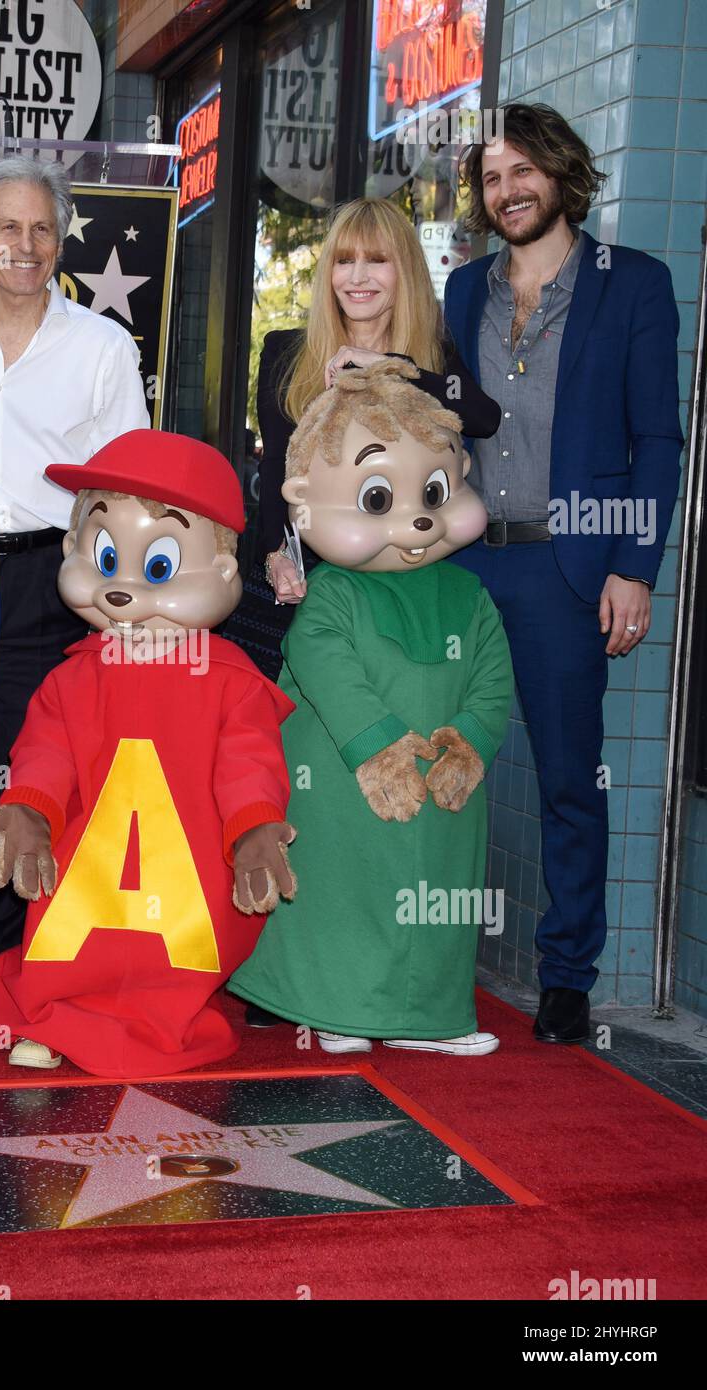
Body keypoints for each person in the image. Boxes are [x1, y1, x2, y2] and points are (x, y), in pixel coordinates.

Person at [442, 103, 683, 1045]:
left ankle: (567, 975)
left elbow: (656, 439)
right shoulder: (464, 292)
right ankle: (419, 951)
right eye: (493, 178)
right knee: (435, 756)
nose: (509, 190)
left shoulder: (635, 286)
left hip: (570, 566)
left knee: (570, 781)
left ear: (561, 173)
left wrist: (635, 566)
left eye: (523, 170)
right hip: (463, 564)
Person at [0, 430, 295, 1076]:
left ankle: (153, 1024)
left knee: (173, 960)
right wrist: (31, 812)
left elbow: (248, 762)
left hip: (185, 886)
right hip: (87, 886)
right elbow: (46, 754)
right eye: (102, 555)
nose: (121, 589)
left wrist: (256, 832)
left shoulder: (231, 682)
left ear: (225, 573)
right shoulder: (72, 678)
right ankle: (52, 1017)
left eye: (156, 567)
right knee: (64, 947)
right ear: (72, 551)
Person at [229, 361, 512, 1055]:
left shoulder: (469, 596)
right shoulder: (331, 593)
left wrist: (470, 741)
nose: (417, 517)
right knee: (347, 887)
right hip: (344, 784)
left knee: (434, 890)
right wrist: (377, 746)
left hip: (442, 785)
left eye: (437, 491)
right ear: (304, 500)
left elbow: (494, 677)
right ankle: (335, 1008)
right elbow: (328, 672)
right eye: (380, 496)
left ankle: (431, 1015)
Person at [0, 155, 151, 967]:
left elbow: (124, 487)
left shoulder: (102, 346)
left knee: (31, 767)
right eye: (8, 226)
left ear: (61, 241)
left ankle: (12, 955)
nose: (26, 243)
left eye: (42, 228)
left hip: (45, 579)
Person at [223, 197, 500, 685]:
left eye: (377, 260)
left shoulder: (431, 354)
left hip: (406, 576)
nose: (358, 277)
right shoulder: (287, 352)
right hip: (310, 572)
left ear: (405, 271)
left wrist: (387, 365)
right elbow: (278, 469)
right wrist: (274, 555)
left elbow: (484, 417)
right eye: (344, 261)